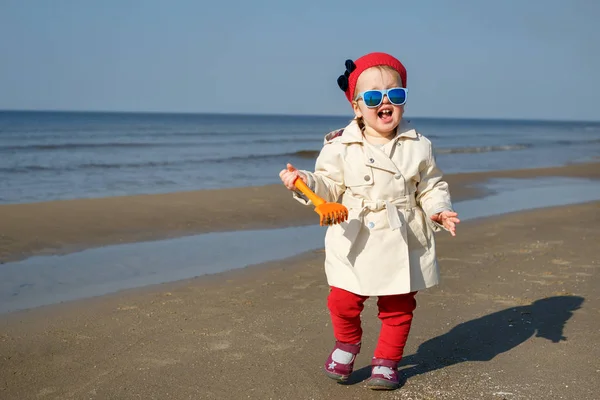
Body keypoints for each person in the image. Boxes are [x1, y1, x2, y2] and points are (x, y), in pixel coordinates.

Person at [279, 52, 460, 390]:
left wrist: (437, 210)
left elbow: (431, 186)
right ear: (357, 107)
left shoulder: (419, 145)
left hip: (402, 233)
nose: (385, 103)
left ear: (404, 102)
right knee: (343, 299)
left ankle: (387, 361)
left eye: (396, 94)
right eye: (374, 96)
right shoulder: (340, 145)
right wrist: (304, 181)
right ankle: (347, 345)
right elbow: (328, 185)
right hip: (355, 233)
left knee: (398, 306)